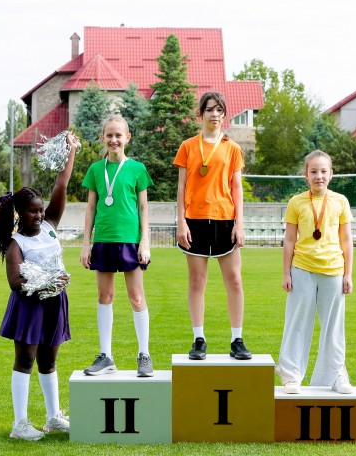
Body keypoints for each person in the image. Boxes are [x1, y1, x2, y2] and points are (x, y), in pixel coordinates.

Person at [0, 132, 79, 440]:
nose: (39, 215)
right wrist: (48, 281)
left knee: (50, 361)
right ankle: (20, 424)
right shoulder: (16, 243)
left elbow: (61, 185)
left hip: (55, 303)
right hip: (29, 306)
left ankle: (53, 417)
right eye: (33, 211)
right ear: (20, 214)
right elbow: (15, 282)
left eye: (41, 210)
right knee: (25, 360)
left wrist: (71, 152)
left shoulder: (49, 226)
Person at [173, 91, 251, 360]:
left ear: (224, 114)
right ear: (201, 114)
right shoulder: (188, 146)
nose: (214, 114)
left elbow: (237, 187)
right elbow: (181, 186)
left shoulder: (233, 148)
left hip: (225, 219)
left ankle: (237, 339)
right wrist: (180, 221)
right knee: (197, 281)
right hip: (194, 220)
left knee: (235, 281)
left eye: (219, 110)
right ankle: (198, 339)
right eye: (209, 110)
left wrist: (239, 223)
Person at [80, 114, 155, 377]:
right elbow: (90, 209)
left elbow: (144, 208)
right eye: (109, 135)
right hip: (103, 240)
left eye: (118, 135)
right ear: (103, 137)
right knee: (105, 296)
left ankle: (144, 354)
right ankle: (106, 356)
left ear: (127, 138)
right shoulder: (94, 170)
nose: (114, 140)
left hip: (130, 242)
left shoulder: (137, 169)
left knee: (136, 297)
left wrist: (145, 242)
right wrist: (86, 244)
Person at [275, 150, 355, 395]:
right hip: (302, 269)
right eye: (313, 171)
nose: (318, 176)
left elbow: (347, 240)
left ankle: (335, 375)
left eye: (323, 171)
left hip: (333, 270)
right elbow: (289, 240)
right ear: (305, 175)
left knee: (333, 327)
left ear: (331, 174)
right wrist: (286, 273)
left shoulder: (340, 201)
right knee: (297, 323)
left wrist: (348, 274)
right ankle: (290, 376)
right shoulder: (296, 202)